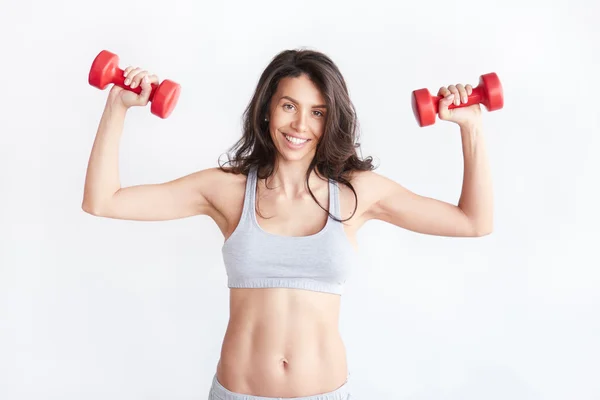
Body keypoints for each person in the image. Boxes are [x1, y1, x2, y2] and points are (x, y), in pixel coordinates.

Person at [82, 49, 493, 400]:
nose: (300, 126)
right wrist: (117, 106)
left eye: (317, 112)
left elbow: (473, 221)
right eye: (288, 106)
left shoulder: (357, 194)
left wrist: (471, 126)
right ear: (266, 110)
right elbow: (104, 201)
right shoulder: (226, 190)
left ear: (331, 121)